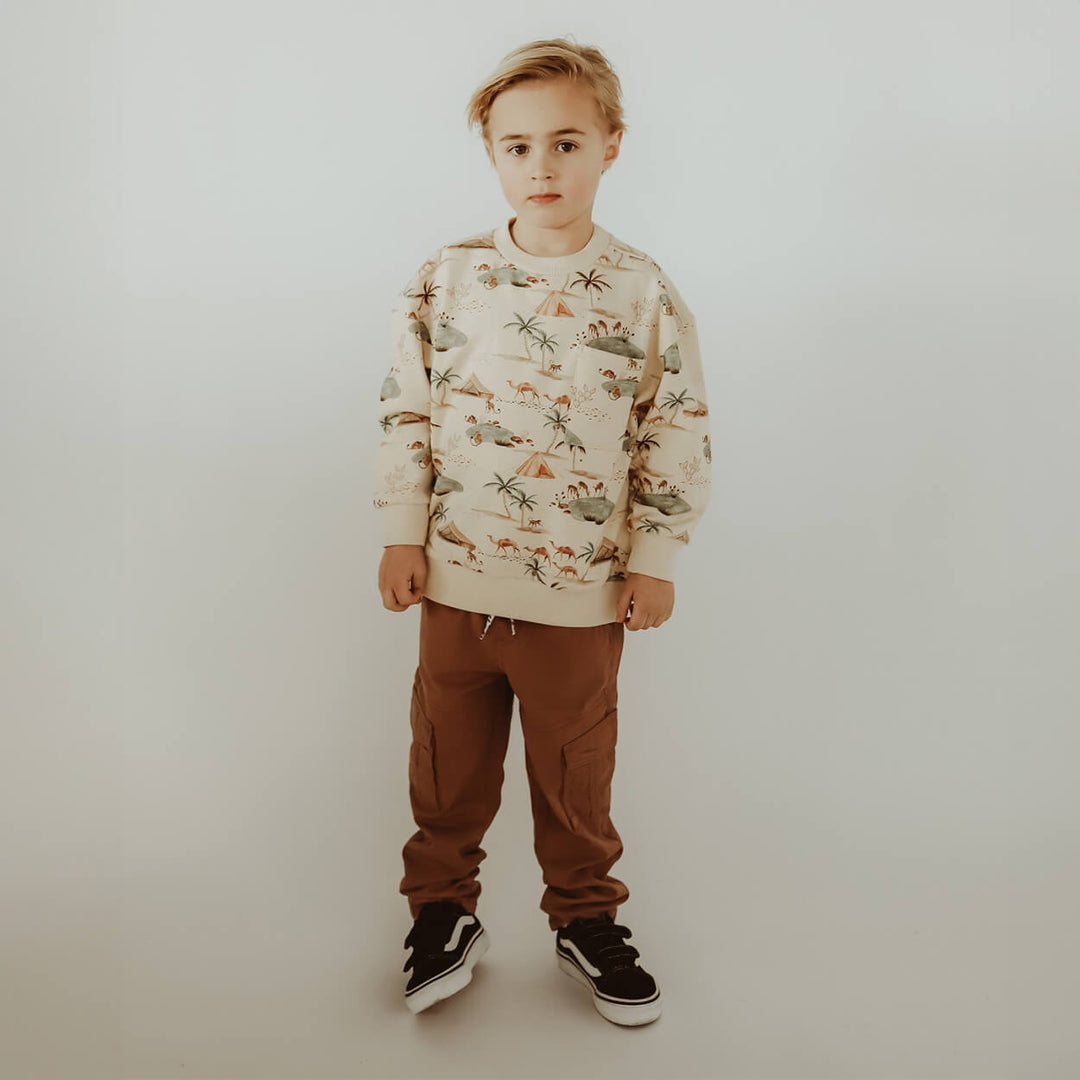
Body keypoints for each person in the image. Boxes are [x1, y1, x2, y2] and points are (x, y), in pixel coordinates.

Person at [373, 36, 712, 1026]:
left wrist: (656, 557)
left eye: (566, 143)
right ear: (492, 155)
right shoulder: (449, 276)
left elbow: (676, 424)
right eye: (517, 147)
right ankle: (443, 912)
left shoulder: (641, 289)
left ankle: (585, 916)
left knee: (575, 777)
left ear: (612, 145)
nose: (542, 167)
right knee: (446, 768)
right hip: (455, 584)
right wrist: (401, 531)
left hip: (580, 595)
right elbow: (408, 407)